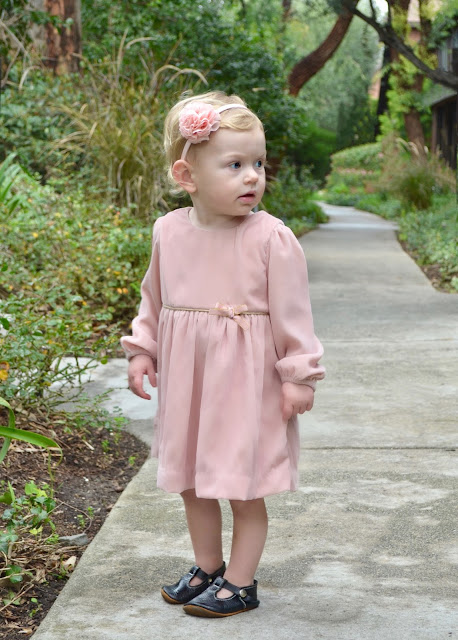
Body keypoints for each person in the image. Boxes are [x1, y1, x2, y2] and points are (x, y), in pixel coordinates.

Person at [121, 91, 325, 618]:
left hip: (246, 383)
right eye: (235, 165)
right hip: (190, 382)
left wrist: (298, 375)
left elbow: (294, 314)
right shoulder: (169, 232)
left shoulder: (271, 238)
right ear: (186, 175)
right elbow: (153, 298)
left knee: (243, 484)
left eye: (258, 163)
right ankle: (208, 567)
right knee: (193, 481)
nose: (252, 176)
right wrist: (143, 349)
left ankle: (241, 582)